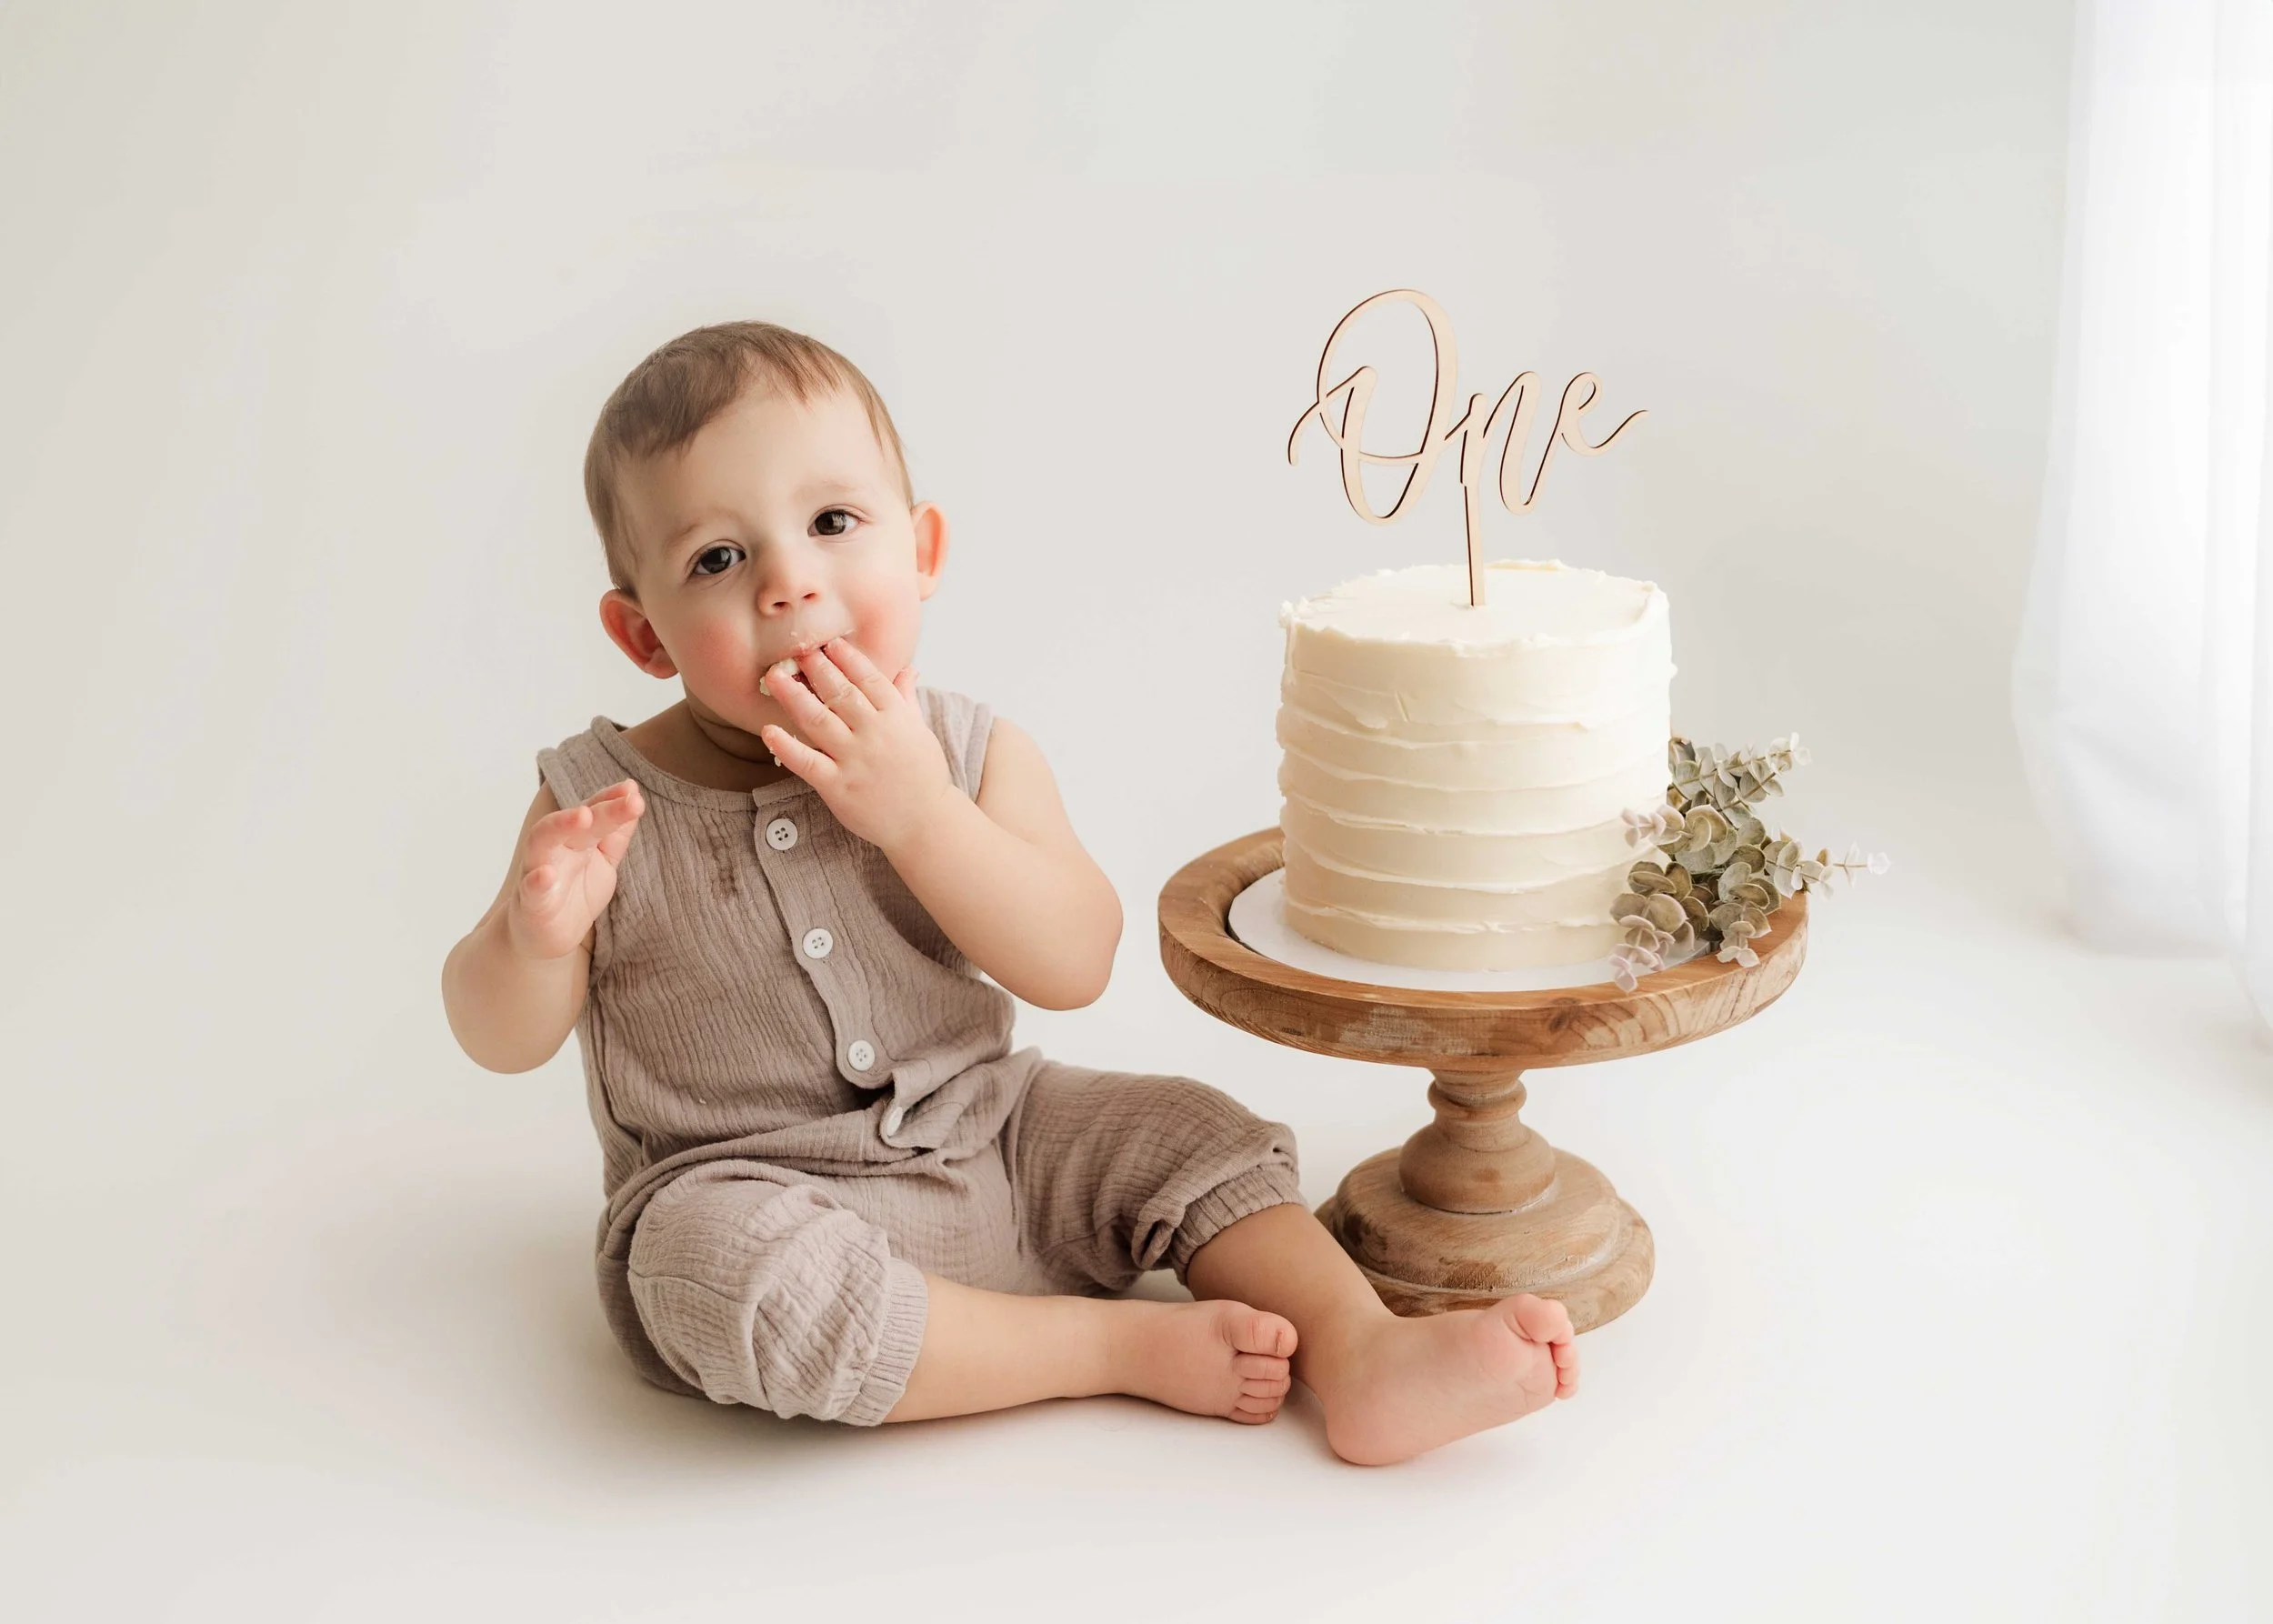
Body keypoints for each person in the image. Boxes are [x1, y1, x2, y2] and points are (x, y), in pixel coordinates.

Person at [439, 321, 1578, 1466]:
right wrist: (531, 937)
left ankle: (1362, 1350)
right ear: (643, 633)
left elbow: (1074, 961)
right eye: (717, 561)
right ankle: (1097, 1349)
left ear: (921, 550)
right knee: (698, 1267)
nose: (791, 584)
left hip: (998, 1143)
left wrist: (922, 814)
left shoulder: (968, 751)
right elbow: (498, 1035)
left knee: (1185, 1131)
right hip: (759, 1200)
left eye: (833, 523)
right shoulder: (596, 804)